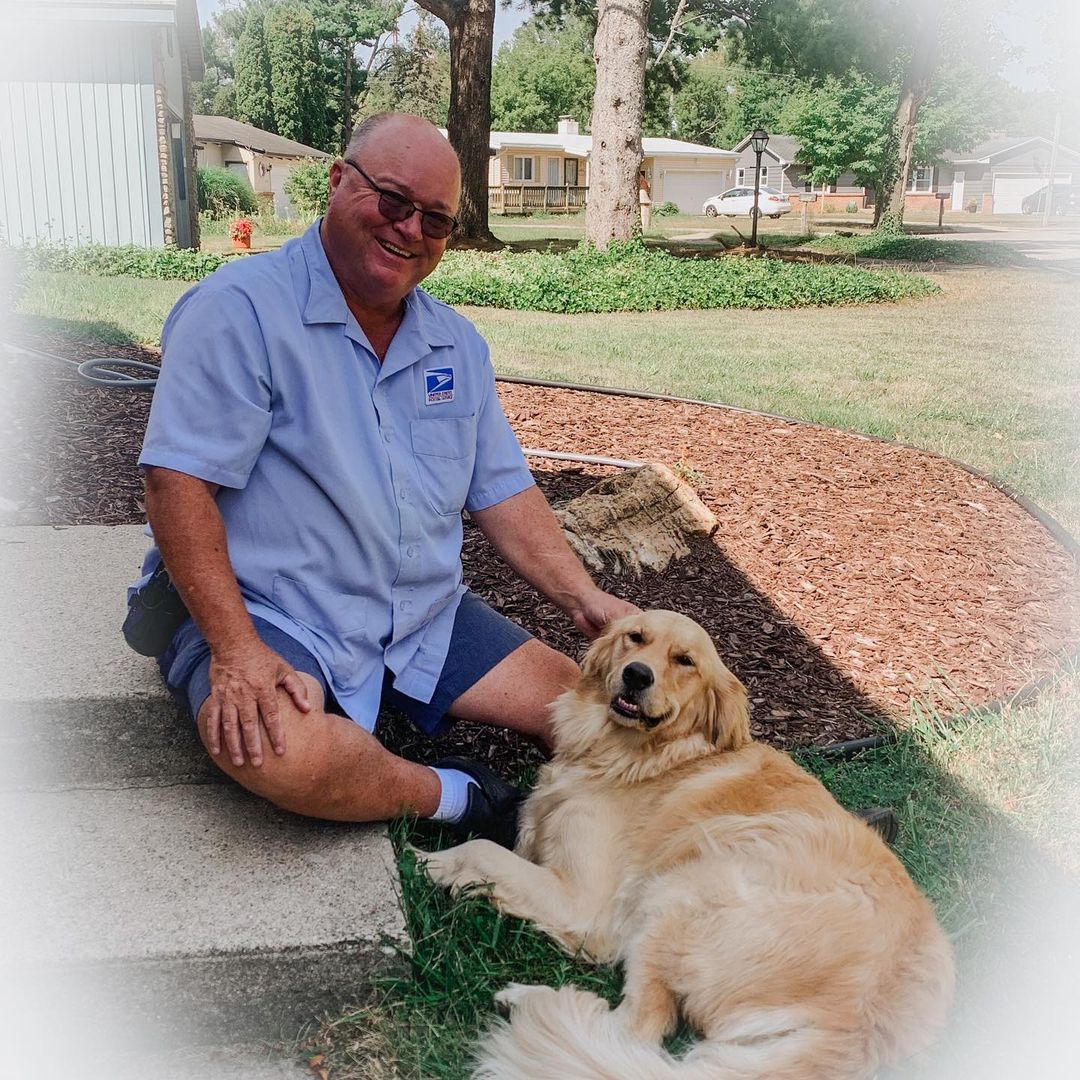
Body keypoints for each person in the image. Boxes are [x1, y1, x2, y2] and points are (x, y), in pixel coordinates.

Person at [130, 112, 637, 847]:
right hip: (277, 612)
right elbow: (176, 487)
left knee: (591, 714)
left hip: (421, 614)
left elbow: (501, 489)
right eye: (393, 201)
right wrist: (238, 653)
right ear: (338, 182)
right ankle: (458, 797)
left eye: (435, 219)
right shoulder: (239, 312)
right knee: (275, 749)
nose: (410, 230)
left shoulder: (454, 344)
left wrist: (582, 596)